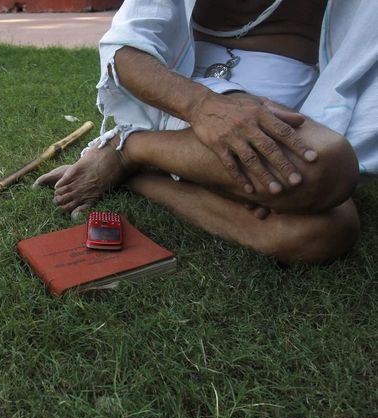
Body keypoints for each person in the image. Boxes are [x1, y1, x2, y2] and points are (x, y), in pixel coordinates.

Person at [34, 0, 378, 263]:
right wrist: (204, 107)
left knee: (329, 230)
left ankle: (135, 165)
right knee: (327, 164)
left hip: (297, 109)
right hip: (187, 95)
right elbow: (124, 50)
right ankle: (136, 148)